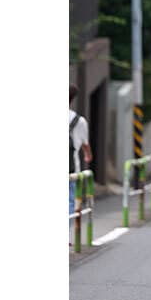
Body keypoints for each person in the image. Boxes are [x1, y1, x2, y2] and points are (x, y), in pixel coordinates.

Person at [69, 84, 93, 242]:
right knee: (70, 201)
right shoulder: (79, 120)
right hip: (71, 169)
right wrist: (88, 155)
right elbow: (85, 144)